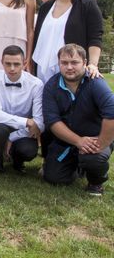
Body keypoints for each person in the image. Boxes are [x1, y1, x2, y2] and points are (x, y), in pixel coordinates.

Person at [42, 44, 114, 196]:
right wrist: (78, 141)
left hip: (95, 137)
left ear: (84, 62)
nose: (69, 67)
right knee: (54, 177)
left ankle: (95, 182)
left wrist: (100, 144)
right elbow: (52, 121)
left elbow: (111, 113)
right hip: (67, 141)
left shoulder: (96, 83)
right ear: (59, 63)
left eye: (74, 62)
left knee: (93, 159)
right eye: (64, 63)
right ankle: (77, 166)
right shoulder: (51, 86)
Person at [32, 0, 103, 84]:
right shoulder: (46, 7)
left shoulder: (87, 6)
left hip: (70, 69)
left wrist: (92, 64)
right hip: (41, 68)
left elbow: (95, 37)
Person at [0, 46, 44, 173]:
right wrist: (27, 121)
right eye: (8, 64)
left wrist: (11, 138)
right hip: (1, 126)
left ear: (24, 63)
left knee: (28, 151)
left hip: (23, 130)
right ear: (2, 62)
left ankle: (17, 161)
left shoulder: (36, 84)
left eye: (16, 64)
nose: (12, 68)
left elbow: (39, 122)